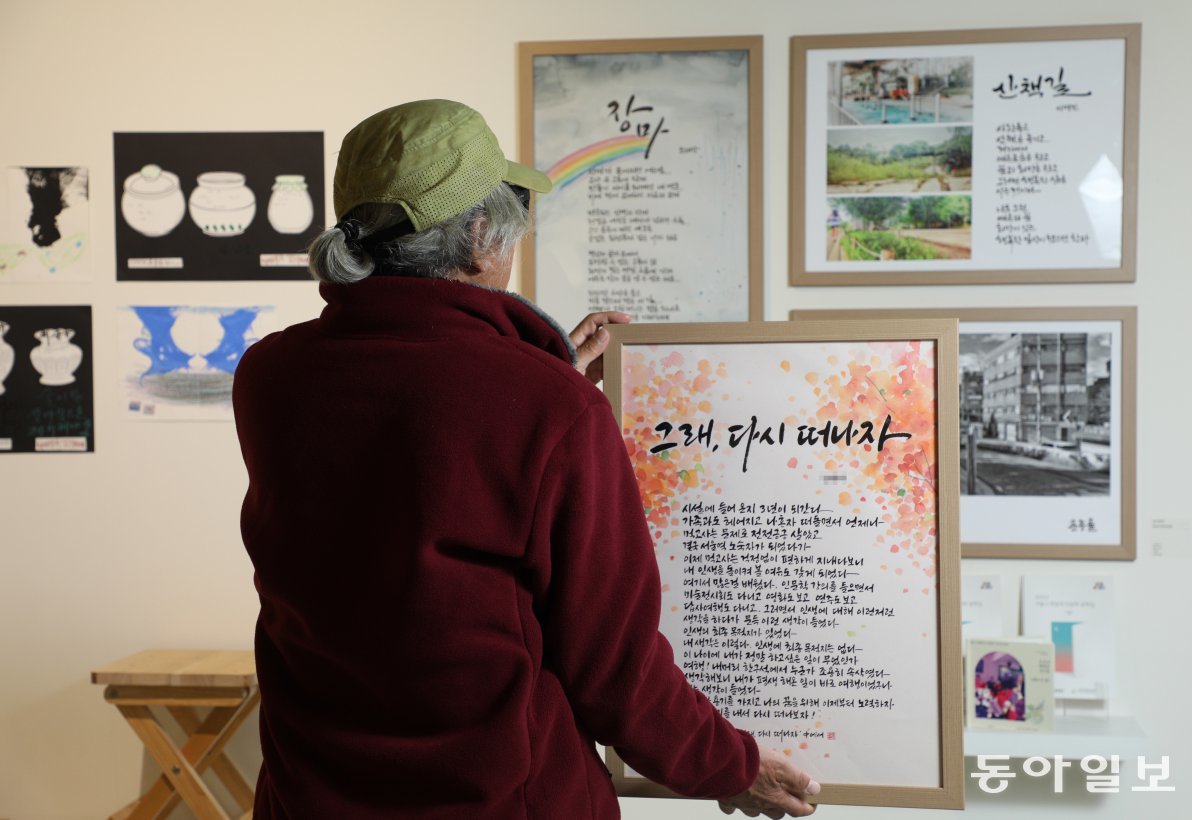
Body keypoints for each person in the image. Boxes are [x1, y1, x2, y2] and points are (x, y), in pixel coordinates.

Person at [233, 99, 819, 819]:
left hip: (311, 800)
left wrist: (544, 375)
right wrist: (727, 765)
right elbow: (614, 668)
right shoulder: (549, 409)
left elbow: (405, 462)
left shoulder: (269, 377)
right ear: (482, 235)